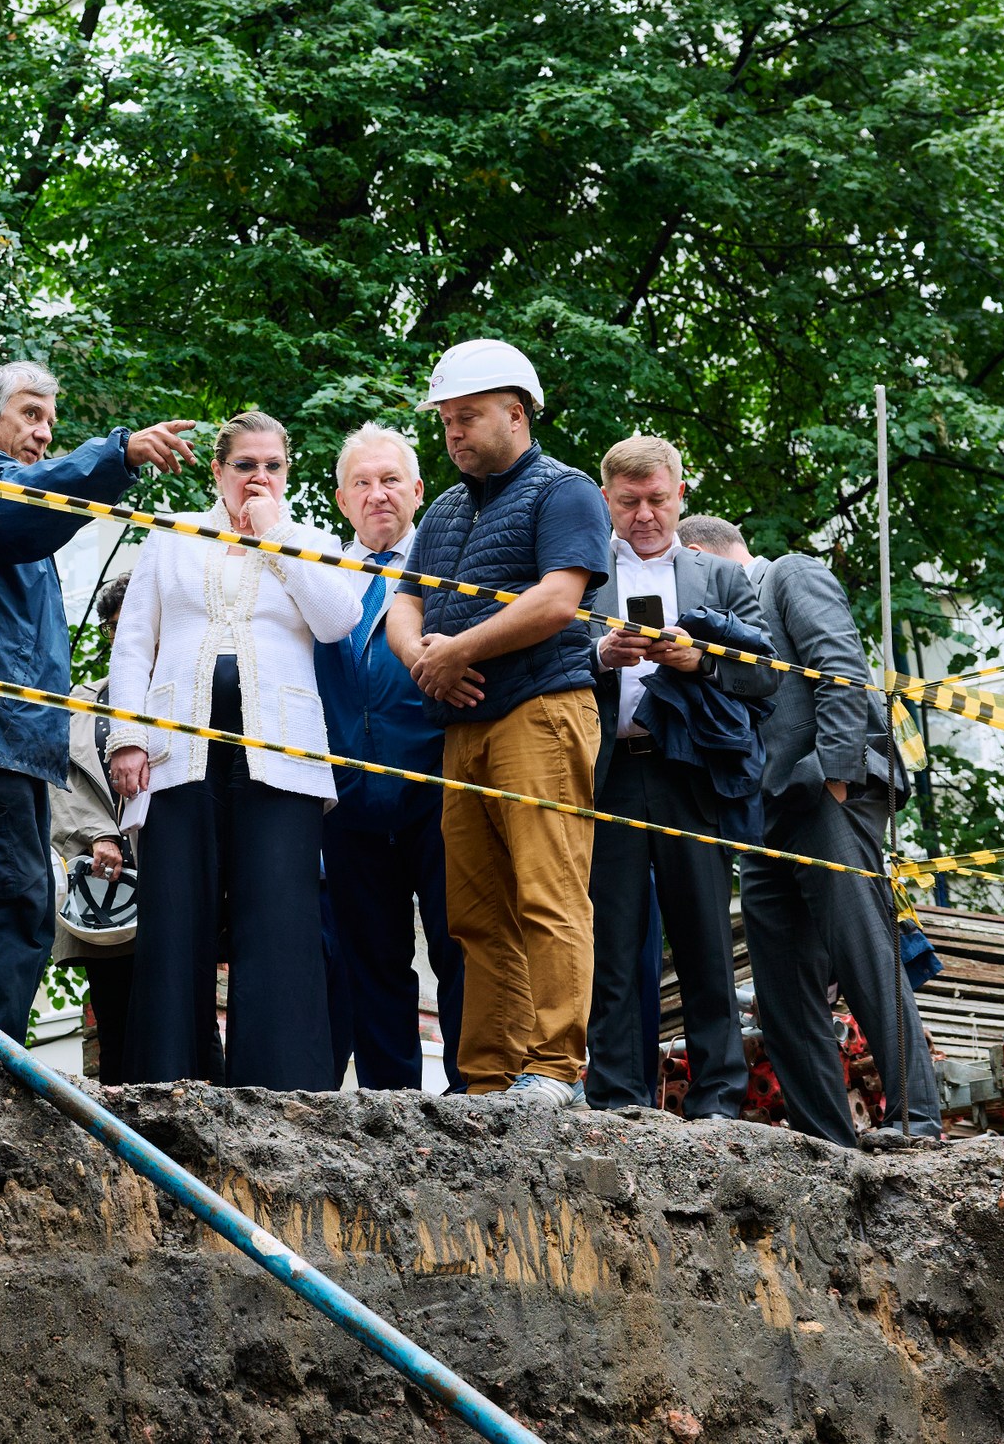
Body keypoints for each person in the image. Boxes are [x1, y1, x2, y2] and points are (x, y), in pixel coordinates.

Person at [0, 362, 196, 1036]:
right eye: (30, 413)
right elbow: (28, 503)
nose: (44, 432)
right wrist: (119, 452)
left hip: (11, 746)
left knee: (18, 910)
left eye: (51, 418)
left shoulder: (8, 510)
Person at [384, 340, 610, 1109]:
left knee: (549, 894)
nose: (454, 433)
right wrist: (423, 656)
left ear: (517, 413)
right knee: (473, 912)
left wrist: (457, 652)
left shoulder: (566, 490)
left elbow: (558, 600)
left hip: (542, 712)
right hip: (462, 728)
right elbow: (404, 602)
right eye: (446, 421)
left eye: (469, 417)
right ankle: (487, 1076)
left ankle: (553, 1068)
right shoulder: (443, 509)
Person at [107, 412, 362, 1088]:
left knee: (278, 912)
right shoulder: (173, 535)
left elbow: (339, 619)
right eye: (245, 464)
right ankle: (168, 1075)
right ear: (217, 470)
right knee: (174, 912)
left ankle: (280, 1085)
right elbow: (135, 641)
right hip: (176, 749)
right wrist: (127, 735)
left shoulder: (303, 538)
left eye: (272, 465)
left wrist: (273, 534)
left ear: (287, 472)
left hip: (280, 751)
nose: (259, 476)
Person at [678, 514, 942, 1144]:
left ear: (700, 556)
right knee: (779, 984)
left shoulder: (789, 575)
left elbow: (841, 669)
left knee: (863, 955)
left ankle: (916, 1120)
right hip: (764, 813)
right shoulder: (724, 630)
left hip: (827, 794)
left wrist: (836, 780)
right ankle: (826, 1141)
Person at [580, 437, 778, 1117]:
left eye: (658, 500)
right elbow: (549, 655)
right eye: (629, 502)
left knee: (704, 937)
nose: (644, 514)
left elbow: (766, 673)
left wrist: (700, 663)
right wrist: (602, 655)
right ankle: (614, 1092)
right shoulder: (581, 572)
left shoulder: (720, 577)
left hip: (691, 773)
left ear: (680, 496)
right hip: (609, 774)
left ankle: (718, 1094)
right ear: (607, 499)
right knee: (612, 939)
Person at [313, 424, 463, 1092]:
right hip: (346, 796)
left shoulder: (449, 571)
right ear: (342, 500)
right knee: (371, 959)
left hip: (436, 784)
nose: (378, 494)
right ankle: (389, 1105)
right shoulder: (318, 575)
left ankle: (473, 1095)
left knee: (459, 944)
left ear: (418, 491)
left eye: (391, 480)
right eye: (363, 483)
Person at [50, 572, 149, 1084]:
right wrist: (98, 834)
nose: (122, 634)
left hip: (173, 879)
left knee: (190, 1016)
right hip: (104, 892)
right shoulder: (82, 699)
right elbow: (59, 777)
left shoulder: (181, 690)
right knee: (112, 1022)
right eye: (113, 626)